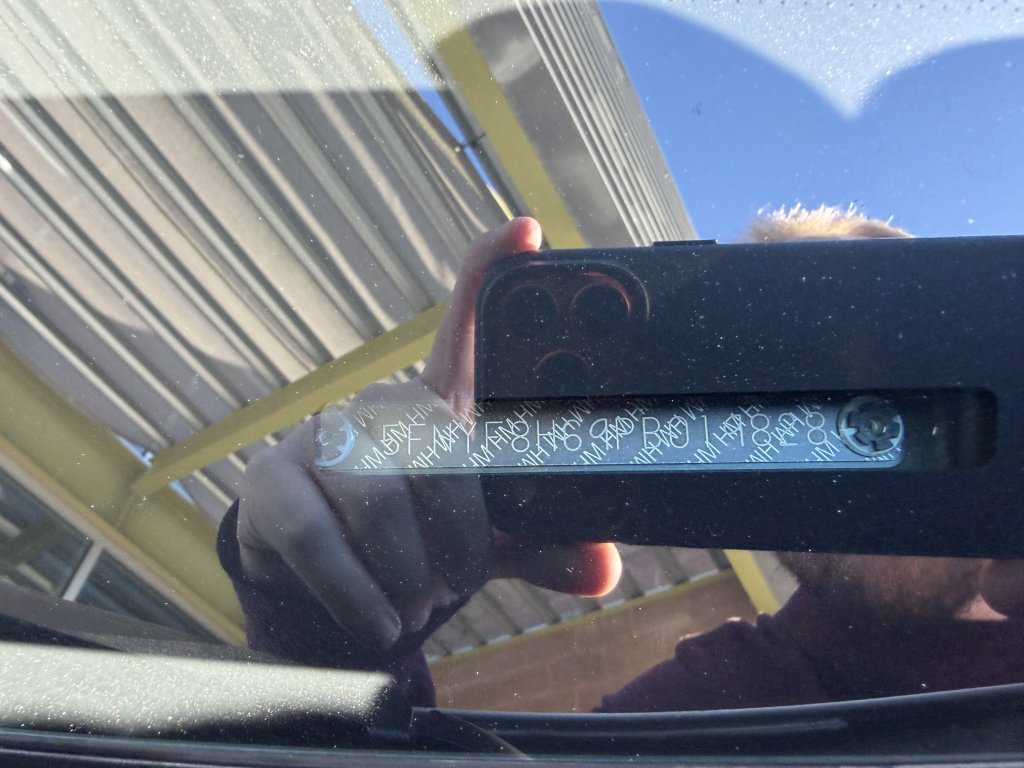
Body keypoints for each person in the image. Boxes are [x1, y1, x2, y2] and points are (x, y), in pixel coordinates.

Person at [218, 205, 1024, 711]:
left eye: (901, 346)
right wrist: (327, 636)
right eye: (786, 373)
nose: (865, 410)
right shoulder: (718, 704)